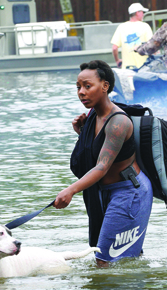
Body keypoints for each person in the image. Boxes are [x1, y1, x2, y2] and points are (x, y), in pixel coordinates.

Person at [57, 60, 154, 267]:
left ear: (105, 86)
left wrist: (70, 190)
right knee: (117, 258)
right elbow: (94, 153)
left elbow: (102, 167)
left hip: (129, 192)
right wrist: (82, 133)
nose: (81, 92)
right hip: (104, 193)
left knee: (104, 260)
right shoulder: (93, 116)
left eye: (87, 86)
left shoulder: (118, 122)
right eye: (78, 87)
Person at [110, 2, 153, 69]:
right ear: (137, 13)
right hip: (144, 68)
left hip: (127, 69)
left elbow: (114, 48)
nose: (143, 14)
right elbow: (152, 45)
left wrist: (117, 60)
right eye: (142, 12)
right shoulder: (145, 26)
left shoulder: (121, 27)